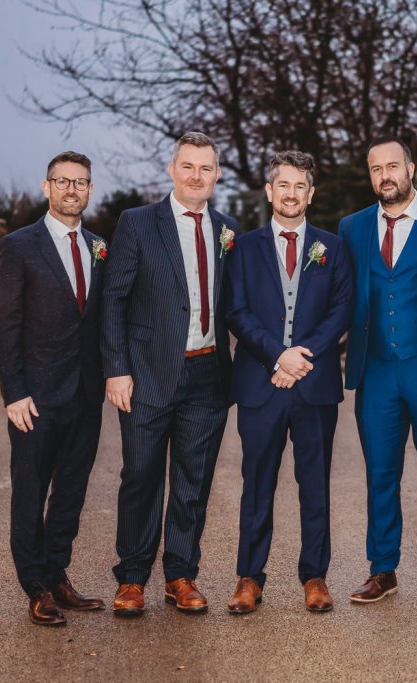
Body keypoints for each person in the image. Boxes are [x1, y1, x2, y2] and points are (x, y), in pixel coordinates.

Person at [101, 131, 239, 616]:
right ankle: (132, 577)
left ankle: (180, 574)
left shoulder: (228, 230)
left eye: (205, 168)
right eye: (188, 166)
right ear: (171, 170)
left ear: (216, 174)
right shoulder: (138, 223)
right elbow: (114, 299)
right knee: (140, 476)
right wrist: (117, 370)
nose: (196, 176)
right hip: (147, 374)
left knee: (192, 481)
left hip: (208, 374)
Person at [339, 137, 417, 607]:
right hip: (376, 372)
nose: (385, 176)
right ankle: (382, 569)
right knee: (380, 474)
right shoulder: (352, 228)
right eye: (376, 169)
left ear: (410, 168)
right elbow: (342, 294)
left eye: (392, 166)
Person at [223, 151, 353, 615]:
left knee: (314, 484)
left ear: (310, 194)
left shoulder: (333, 247)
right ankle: (249, 578)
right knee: (257, 484)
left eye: (300, 186)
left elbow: (341, 310)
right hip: (261, 383)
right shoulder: (243, 247)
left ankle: (314, 576)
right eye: (283, 185)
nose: (291, 194)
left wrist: (301, 357)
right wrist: (278, 355)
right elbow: (236, 311)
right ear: (269, 191)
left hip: (314, 386)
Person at [0, 151, 107, 626]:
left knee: (71, 493)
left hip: (86, 395)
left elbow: (101, 321)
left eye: (80, 182)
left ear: (90, 190)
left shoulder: (99, 247)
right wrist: (14, 392)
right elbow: (6, 325)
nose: (71, 190)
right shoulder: (19, 246)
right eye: (63, 181)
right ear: (46, 187)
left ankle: (57, 574)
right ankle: (35, 586)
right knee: (30, 491)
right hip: (35, 398)